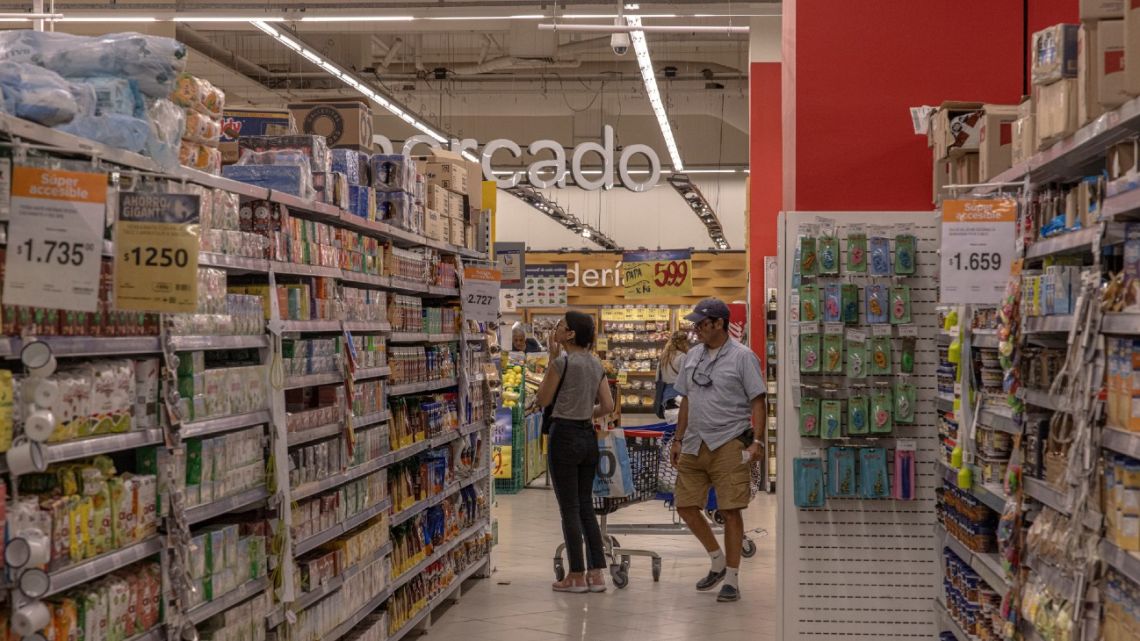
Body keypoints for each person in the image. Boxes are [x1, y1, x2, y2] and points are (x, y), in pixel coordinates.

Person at [670, 298, 765, 603]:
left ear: (719, 323)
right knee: (685, 504)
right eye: (696, 323)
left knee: (730, 510)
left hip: (729, 440)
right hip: (695, 442)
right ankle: (717, 560)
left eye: (702, 323)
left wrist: (758, 442)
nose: (696, 328)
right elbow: (686, 399)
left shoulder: (743, 357)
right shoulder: (693, 356)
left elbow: (758, 401)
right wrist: (678, 438)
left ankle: (733, 580)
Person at [536, 311, 615, 593]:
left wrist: (550, 362)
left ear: (570, 334)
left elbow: (543, 399)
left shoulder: (561, 363)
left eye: (560, 326)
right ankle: (596, 574)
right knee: (585, 507)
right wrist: (584, 412)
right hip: (587, 437)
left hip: (564, 437)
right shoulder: (596, 364)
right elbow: (607, 405)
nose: (556, 329)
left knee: (568, 508)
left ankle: (576, 575)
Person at [655, 331, 691, 417]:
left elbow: (657, 377)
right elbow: (686, 377)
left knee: (670, 421)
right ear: (683, 343)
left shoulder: (664, 356)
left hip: (665, 393)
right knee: (680, 423)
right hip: (679, 395)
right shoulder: (683, 356)